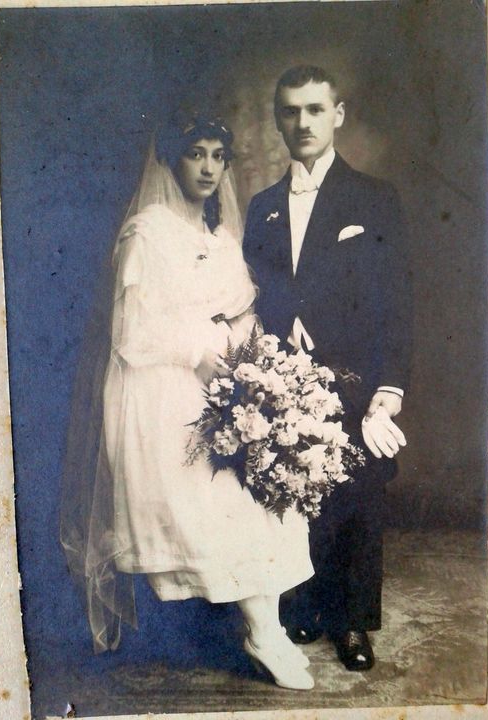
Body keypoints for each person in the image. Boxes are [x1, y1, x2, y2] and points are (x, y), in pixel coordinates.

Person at [60, 111, 315, 690]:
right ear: (171, 160)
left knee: (266, 491)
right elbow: (130, 332)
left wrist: (257, 368)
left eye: (217, 156)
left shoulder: (220, 237)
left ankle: (268, 629)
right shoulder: (147, 232)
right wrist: (200, 354)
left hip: (223, 382)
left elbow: (242, 311)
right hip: (163, 389)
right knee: (226, 503)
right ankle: (263, 632)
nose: (207, 168)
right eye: (195, 154)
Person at [243, 66, 412, 671]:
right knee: (296, 488)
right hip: (287, 376)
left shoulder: (375, 198)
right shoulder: (263, 207)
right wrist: (283, 318)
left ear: (337, 114)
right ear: (277, 119)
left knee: (358, 495)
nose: (303, 122)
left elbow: (396, 299)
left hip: (357, 375)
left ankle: (352, 622)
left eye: (315, 109)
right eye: (290, 111)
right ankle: (306, 607)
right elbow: (254, 288)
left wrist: (389, 388)